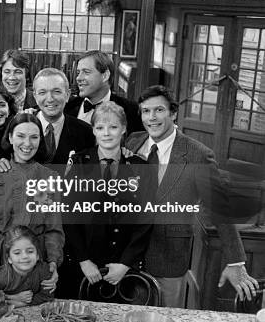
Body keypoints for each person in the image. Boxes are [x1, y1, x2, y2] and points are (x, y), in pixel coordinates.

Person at [125, 85, 258, 307]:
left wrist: (236, 261)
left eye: (159, 110)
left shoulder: (198, 154)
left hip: (169, 259)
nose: (151, 118)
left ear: (173, 113)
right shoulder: (132, 142)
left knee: (164, 320)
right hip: (127, 257)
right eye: (146, 111)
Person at [61, 101, 152, 298]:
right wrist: (83, 260)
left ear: (124, 129)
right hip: (85, 266)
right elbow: (68, 217)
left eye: (113, 127)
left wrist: (125, 263)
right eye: (100, 128)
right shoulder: (78, 163)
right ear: (93, 130)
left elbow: (145, 221)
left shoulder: (139, 166)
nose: (107, 133)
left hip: (123, 267)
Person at [0, 113, 63, 294]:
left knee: (35, 309)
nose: (27, 143)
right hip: (3, 259)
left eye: (34, 137)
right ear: (10, 137)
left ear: (41, 140)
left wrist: (53, 262)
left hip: (36, 260)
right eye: (21, 136)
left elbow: (53, 227)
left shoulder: (49, 178)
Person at [65, 50, 143, 134]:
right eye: (78, 73)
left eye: (86, 72)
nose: (78, 78)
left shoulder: (132, 111)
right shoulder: (67, 107)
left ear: (105, 76)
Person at [0, 225, 54, 307]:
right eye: (17, 253)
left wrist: (24, 303)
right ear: (9, 258)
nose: (24, 256)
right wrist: (13, 298)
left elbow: (47, 296)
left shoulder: (44, 270)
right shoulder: (1, 276)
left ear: (38, 255)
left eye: (30, 251)